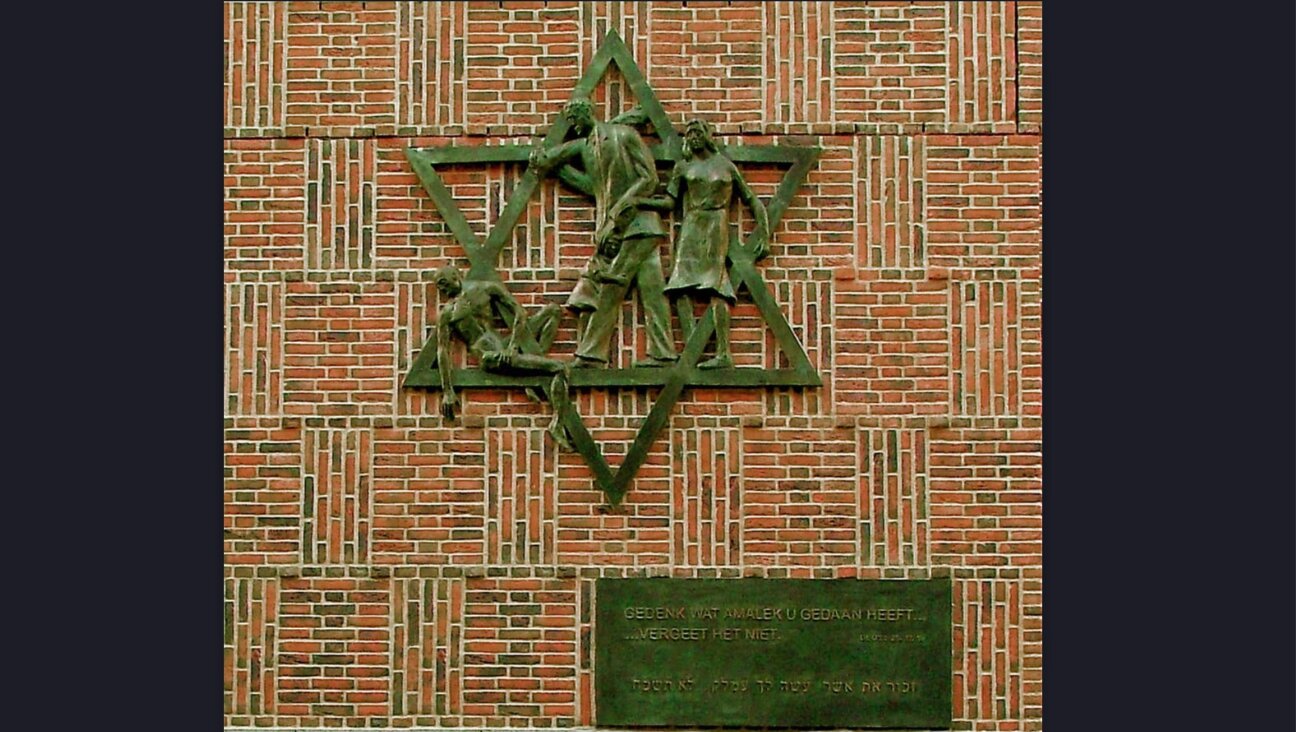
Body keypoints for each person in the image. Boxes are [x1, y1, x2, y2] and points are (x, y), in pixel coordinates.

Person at [528, 98, 679, 368]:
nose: (573, 127)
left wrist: (619, 213)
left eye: (574, 119)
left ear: (587, 112)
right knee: (653, 289)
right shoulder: (588, 148)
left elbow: (649, 179)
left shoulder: (624, 135)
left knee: (610, 286)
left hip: (635, 225)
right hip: (628, 229)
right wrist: (557, 169)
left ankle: (591, 354)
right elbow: (593, 187)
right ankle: (664, 352)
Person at [660, 118, 770, 369]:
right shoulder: (682, 167)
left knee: (716, 284)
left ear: (708, 135)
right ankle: (691, 346)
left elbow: (751, 200)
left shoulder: (726, 167)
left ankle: (722, 352)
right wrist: (641, 204)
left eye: (698, 132)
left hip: (715, 225)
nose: (693, 137)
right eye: (689, 133)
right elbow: (669, 203)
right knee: (679, 285)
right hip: (691, 225)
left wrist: (763, 233)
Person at [428, 266, 572, 449]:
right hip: (489, 356)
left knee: (552, 310)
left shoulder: (486, 289)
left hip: (505, 347)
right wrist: (447, 390)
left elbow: (519, 312)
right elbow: (442, 350)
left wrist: (512, 346)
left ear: (455, 276)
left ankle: (530, 377)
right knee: (560, 368)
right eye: (439, 287)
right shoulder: (448, 313)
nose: (442, 290)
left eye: (443, 283)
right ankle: (557, 425)